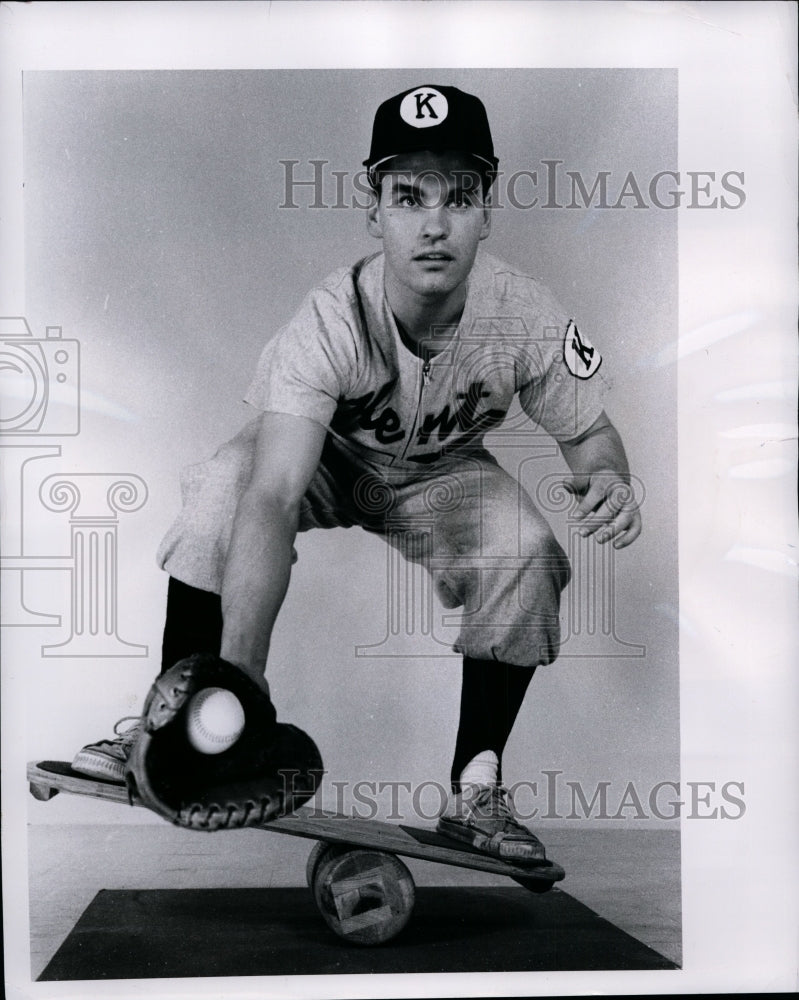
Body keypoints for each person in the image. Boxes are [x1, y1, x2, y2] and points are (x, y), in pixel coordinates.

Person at [72, 84, 641, 865]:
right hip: (322, 456)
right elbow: (272, 495)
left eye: (458, 196)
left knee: (525, 551)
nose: (434, 223)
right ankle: (164, 727)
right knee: (220, 490)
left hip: (445, 475)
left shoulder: (527, 314)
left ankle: (476, 788)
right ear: (372, 209)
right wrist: (240, 684)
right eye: (408, 196)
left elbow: (591, 435)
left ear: (486, 210)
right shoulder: (329, 319)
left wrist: (610, 477)